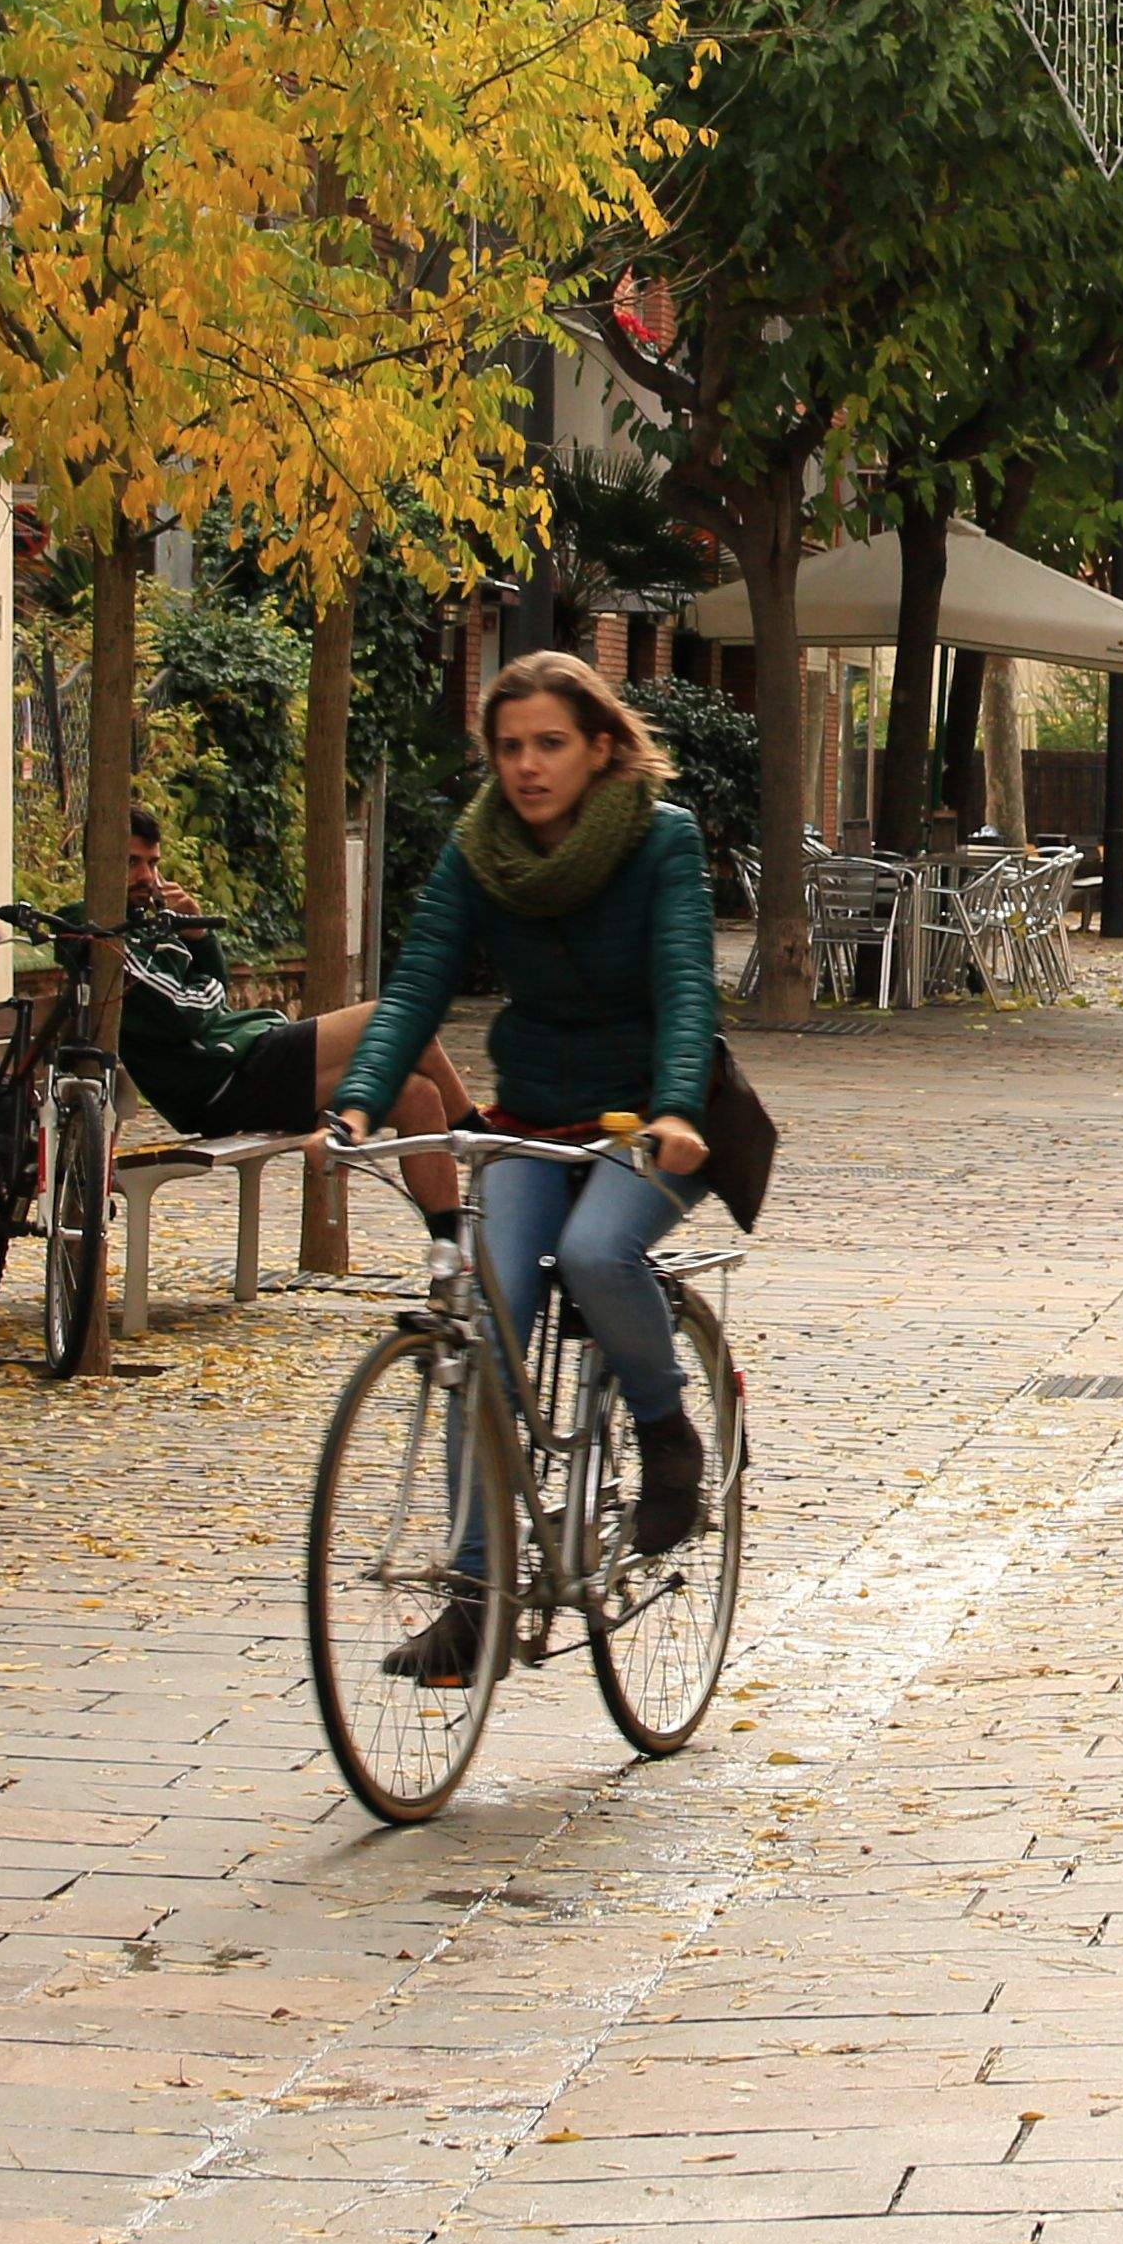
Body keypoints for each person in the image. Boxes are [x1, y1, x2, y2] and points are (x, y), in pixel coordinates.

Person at [332, 653, 718, 1686]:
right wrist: (364, 1094)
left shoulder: (660, 840)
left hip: (650, 1117)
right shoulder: (479, 851)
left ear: (598, 747)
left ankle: (665, 1427)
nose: (528, 767)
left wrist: (680, 1105)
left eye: (549, 743)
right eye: (509, 748)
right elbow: (416, 983)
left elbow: (686, 985)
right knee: (483, 1318)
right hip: (534, 1115)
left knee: (596, 1253)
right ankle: (473, 1594)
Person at [110, 805, 474, 1238]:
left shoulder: (147, 923)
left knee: (419, 1096)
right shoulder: (99, 932)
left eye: (152, 863)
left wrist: (199, 936)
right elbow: (190, 1012)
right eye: (132, 862)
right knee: (399, 1017)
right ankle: (483, 1139)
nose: (147, 877)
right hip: (227, 1077)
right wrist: (204, 977)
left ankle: (452, 1260)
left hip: (246, 1065)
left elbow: (207, 995)